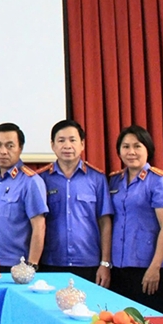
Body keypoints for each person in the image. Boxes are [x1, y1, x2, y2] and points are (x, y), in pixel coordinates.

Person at [109, 125, 163, 313]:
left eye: (137, 146)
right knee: (119, 321)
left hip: (147, 268)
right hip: (118, 267)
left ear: (148, 149)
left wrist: (155, 268)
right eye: (125, 147)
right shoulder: (115, 180)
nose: (131, 152)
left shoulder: (159, 180)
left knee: (146, 321)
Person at [38, 120, 113, 286]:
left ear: (82, 144)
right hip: (51, 262)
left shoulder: (97, 178)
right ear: (52, 145)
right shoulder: (41, 179)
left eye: (72, 140)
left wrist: (105, 263)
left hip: (89, 262)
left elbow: (105, 222)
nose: (67, 146)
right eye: (61, 140)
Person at [0, 122, 48, 270]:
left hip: (16, 265)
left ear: (20, 148)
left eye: (10, 146)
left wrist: (32, 265)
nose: (3, 151)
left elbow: (39, 226)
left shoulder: (31, 181)